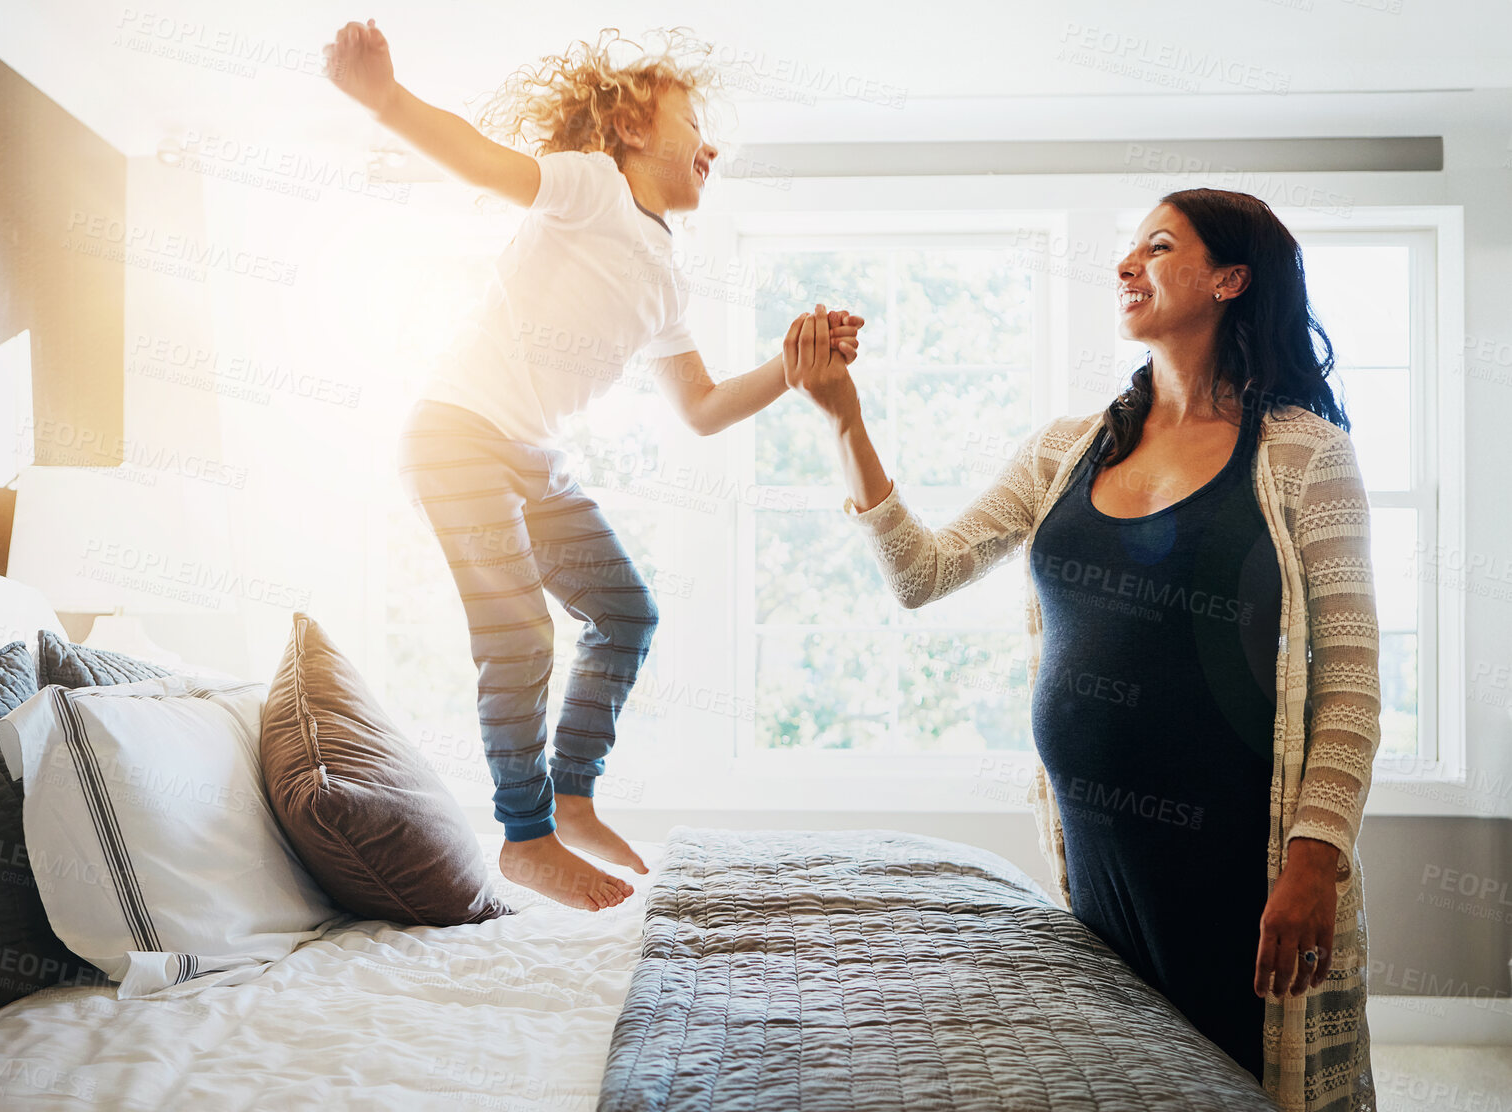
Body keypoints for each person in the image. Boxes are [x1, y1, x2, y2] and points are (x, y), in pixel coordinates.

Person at [783, 190, 1378, 1109]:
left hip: (1238, 859)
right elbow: (921, 572)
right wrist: (842, 420)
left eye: (1158, 245)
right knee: (1121, 1083)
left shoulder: (1304, 456)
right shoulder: (1065, 452)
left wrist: (1312, 861)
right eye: (1127, 247)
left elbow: (1348, 682)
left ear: (1228, 279)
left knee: (1246, 1083)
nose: (1125, 263)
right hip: (1096, 845)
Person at [323, 21, 864, 910]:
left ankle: (572, 793)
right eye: (693, 123)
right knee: (521, 633)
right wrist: (386, 99)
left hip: (533, 458)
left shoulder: (668, 277)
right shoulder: (589, 187)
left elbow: (701, 408)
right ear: (631, 129)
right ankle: (525, 836)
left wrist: (792, 362)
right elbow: (478, 158)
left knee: (626, 613)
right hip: (459, 433)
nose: (711, 145)